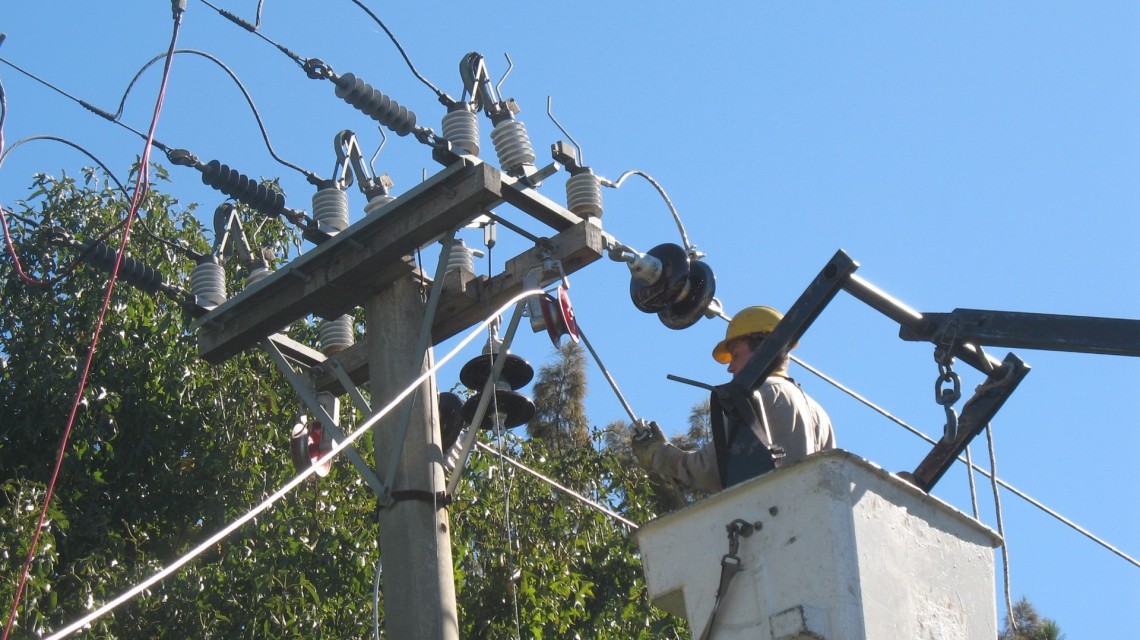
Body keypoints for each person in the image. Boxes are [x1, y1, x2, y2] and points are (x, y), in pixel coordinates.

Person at [631, 305, 835, 492]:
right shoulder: (819, 414)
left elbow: (714, 471)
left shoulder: (755, 396)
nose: (730, 367)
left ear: (764, 348)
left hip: (769, 519)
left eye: (736, 355)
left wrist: (659, 455)